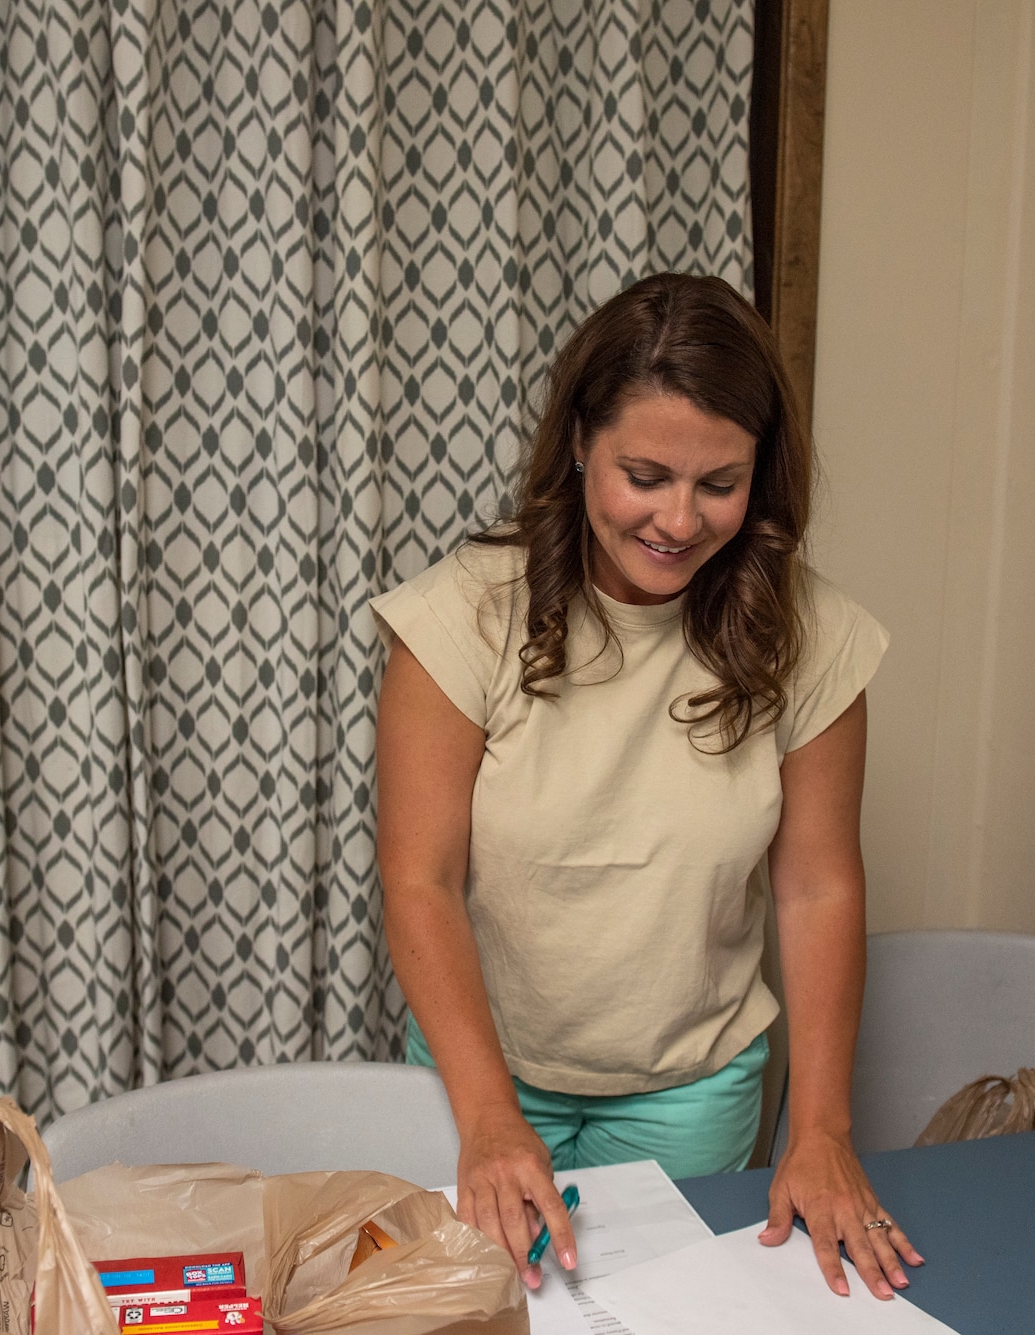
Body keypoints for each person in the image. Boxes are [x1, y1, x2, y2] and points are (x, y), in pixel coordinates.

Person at [371, 273, 924, 1301]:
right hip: (478, 1073)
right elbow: (418, 879)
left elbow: (816, 890)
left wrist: (822, 1129)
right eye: (644, 474)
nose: (678, 518)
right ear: (579, 441)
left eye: (719, 484)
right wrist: (489, 1116)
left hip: (693, 1090)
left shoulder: (814, 637)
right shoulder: (464, 615)